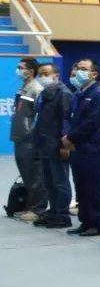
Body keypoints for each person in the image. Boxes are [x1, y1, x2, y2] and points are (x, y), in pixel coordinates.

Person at [63, 59, 100, 236]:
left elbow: (92, 121)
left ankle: (97, 224)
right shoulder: (78, 94)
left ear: (94, 74)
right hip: (77, 147)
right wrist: (67, 135)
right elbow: (69, 117)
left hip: (93, 147)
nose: (79, 71)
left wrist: (71, 137)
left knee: (94, 187)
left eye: (84, 69)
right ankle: (85, 220)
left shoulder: (98, 94)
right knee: (81, 186)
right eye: (77, 68)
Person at [30, 63, 73, 229]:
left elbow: (66, 119)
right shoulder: (44, 93)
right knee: (48, 181)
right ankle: (53, 211)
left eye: (46, 73)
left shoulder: (64, 94)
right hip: (44, 143)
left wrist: (65, 144)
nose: (42, 77)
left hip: (57, 144)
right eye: (40, 74)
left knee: (60, 181)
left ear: (56, 75)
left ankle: (62, 214)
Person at [11, 57, 45, 222]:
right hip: (20, 137)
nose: (18, 70)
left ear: (31, 71)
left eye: (21, 67)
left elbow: (40, 116)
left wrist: (32, 133)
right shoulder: (23, 88)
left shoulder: (36, 89)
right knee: (26, 174)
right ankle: (29, 206)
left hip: (30, 139)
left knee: (34, 176)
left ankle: (37, 209)